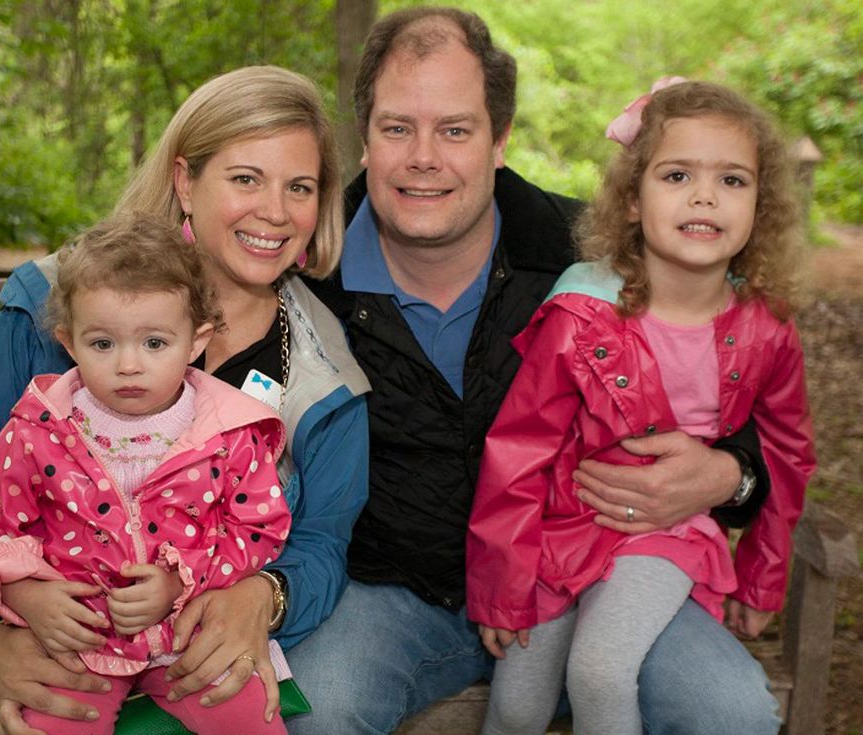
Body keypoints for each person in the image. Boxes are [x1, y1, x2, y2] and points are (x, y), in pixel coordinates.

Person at [294, 8, 782, 734]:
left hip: (592, 577)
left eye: (455, 129)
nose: (423, 156)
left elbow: (753, 410)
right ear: (364, 139)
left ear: (500, 140)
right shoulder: (305, 268)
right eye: (398, 128)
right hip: (393, 590)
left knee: (732, 710)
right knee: (318, 706)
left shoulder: (597, 259)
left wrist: (729, 476)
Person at [0, 66, 370, 735]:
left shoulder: (326, 373)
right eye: (245, 178)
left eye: (301, 187)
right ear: (184, 182)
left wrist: (266, 593)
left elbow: (323, 542)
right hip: (36, 638)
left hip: (191, 657)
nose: (276, 211)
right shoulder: (54, 312)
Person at [466, 79, 816, 735]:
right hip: (564, 527)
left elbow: (787, 453)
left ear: (759, 207)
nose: (705, 195)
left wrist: (762, 578)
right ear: (633, 199)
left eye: (733, 180)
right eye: (677, 174)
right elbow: (518, 448)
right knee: (516, 704)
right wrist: (502, 586)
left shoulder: (766, 329)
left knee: (600, 670)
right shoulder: (580, 314)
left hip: (667, 533)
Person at [0, 214, 292, 734]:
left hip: (187, 635)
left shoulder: (228, 433)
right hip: (76, 644)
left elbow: (260, 528)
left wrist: (182, 581)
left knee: (253, 715)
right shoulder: (39, 430)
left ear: (196, 340)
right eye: (103, 344)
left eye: (155, 343)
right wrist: (23, 594)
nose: (129, 365)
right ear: (69, 342)